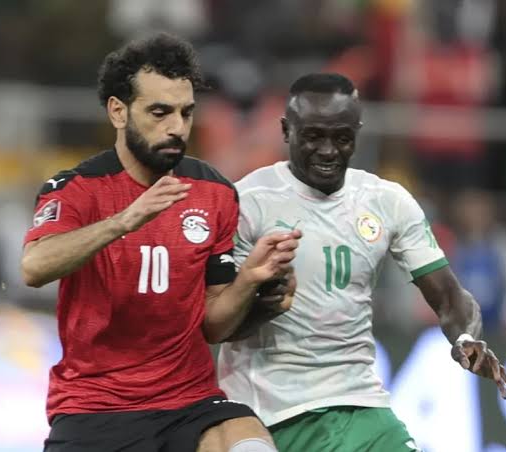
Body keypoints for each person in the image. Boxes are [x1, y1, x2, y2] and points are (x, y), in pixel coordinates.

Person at [21, 33, 300, 452]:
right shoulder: (76, 189)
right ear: (118, 111)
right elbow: (34, 266)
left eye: (186, 113)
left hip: (189, 402)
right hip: (95, 407)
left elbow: (214, 326)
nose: (177, 127)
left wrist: (250, 280)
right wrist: (125, 220)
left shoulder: (213, 191)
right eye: (159, 112)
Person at [217, 73, 506, 452]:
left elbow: (448, 295)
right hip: (270, 409)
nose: (328, 151)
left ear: (357, 133)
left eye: (341, 138)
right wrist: (265, 302)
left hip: (360, 402)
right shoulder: (247, 201)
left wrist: (465, 338)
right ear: (286, 130)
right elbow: (218, 322)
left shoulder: (387, 201)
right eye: (313, 136)